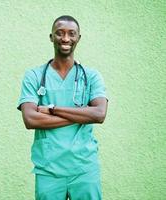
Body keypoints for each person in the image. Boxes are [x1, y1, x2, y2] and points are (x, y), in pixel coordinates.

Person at [17, 15, 108, 200]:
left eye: (71, 34)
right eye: (60, 33)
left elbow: (99, 114)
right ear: (51, 37)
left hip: (84, 169)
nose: (65, 38)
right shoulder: (34, 76)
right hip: (48, 169)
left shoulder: (91, 76)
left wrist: (52, 109)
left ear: (78, 38)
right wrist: (83, 114)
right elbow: (30, 119)